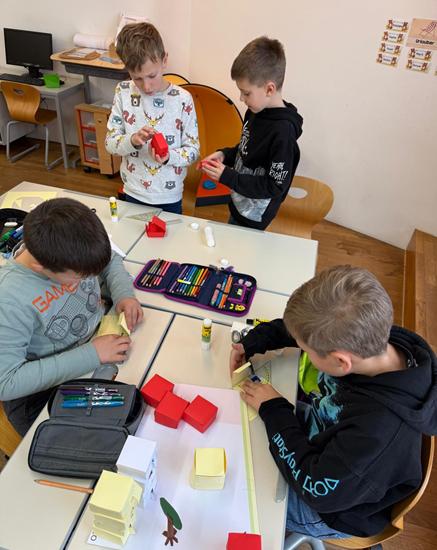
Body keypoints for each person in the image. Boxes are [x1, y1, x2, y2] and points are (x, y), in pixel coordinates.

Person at [230, 265, 437, 539]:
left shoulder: (376, 434)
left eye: (306, 351)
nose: (302, 348)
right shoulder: (375, 338)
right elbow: (307, 329)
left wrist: (275, 410)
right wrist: (254, 341)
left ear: (341, 361)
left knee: (240, 494)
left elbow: (315, 487)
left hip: (328, 510)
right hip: (329, 450)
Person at [0, 198, 144, 436]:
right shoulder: (8, 299)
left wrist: (123, 295)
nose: (88, 279)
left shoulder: (72, 250)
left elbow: (109, 260)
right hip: (41, 392)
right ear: (39, 267)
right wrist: (91, 355)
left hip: (97, 348)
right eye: (79, 278)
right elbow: (6, 382)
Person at [199, 36, 303, 230]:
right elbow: (246, 149)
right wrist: (225, 155)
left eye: (246, 93)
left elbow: (274, 186)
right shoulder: (255, 110)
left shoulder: (283, 133)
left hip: (255, 217)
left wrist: (228, 177)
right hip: (239, 202)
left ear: (269, 89)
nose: (241, 98)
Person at [106, 22, 199, 214]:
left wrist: (168, 157)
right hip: (133, 191)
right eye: (137, 78)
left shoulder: (182, 99)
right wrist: (132, 140)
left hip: (169, 196)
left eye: (152, 75)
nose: (146, 86)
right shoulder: (123, 92)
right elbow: (110, 144)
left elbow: (193, 151)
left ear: (164, 60)